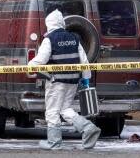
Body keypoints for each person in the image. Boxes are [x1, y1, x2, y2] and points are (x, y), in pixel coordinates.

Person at [29, 9, 101, 150]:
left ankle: (54, 143)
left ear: (49, 24)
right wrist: (86, 79)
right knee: (65, 109)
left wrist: (29, 65)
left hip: (56, 82)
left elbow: (39, 61)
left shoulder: (49, 39)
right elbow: (84, 61)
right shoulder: (74, 38)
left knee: (52, 111)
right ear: (61, 23)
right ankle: (88, 128)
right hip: (72, 81)